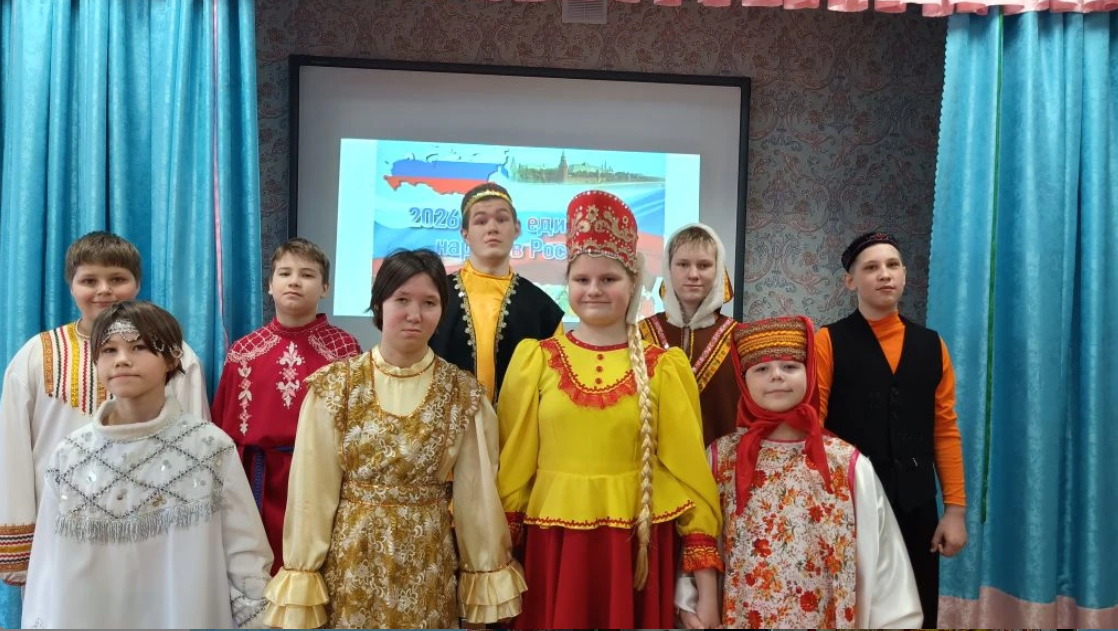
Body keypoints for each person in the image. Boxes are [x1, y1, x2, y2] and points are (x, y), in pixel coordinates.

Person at [263, 248, 525, 629]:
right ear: (379, 304)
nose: (414, 314)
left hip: (428, 569)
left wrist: (481, 576)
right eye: (402, 299)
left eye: (429, 303)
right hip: (351, 566)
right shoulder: (336, 387)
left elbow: (477, 499)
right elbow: (311, 494)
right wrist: (304, 573)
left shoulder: (462, 394)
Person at [498, 190, 723, 629]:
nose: (594, 290)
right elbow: (514, 468)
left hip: (637, 546)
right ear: (568, 284)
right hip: (552, 545)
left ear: (633, 283)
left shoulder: (664, 368)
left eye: (608, 279)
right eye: (582, 279)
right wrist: (502, 556)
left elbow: (689, 477)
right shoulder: (535, 360)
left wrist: (706, 591)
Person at [20, 300, 273, 628]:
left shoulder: (209, 448)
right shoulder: (70, 455)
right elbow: (46, 563)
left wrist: (256, 616)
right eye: (109, 350)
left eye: (138, 347)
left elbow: (245, 552)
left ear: (172, 357)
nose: (122, 360)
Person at [676, 315, 923, 629]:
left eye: (790, 366)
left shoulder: (845, 464)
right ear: (743, 379)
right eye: (761, 369)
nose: (776, 376)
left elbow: (885, 565)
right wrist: (690, 603)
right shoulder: (720, 459)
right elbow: (698, 540)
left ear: (809, 372)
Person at [0, 232, 210, 591]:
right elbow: (13, 450)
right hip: (61, 528)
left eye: (117, 279)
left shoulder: (173, 354)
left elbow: (193, 443)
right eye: (89, 281)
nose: (104, 290)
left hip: (152, 526)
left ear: (137, 284)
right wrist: (20, 545)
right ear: (71, 285)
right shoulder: (35, 355)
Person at [817, 231, 969, 628]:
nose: (884, 274)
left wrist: (955, 511)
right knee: (854, 608)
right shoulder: (827, 341)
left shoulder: (932, 345)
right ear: (850, 281)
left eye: (892, 265)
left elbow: (945, 431)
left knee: (915, 610)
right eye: (871, 267)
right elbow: (813, 429)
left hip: (916, 506)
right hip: (849, 505)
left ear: (904, 275)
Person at [211, 237, 360, 574]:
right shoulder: (244, 350)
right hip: (258, 484)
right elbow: (221, 429)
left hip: (322, 479)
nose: (294, 281)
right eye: (285, 273)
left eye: (307, 275)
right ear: (269, 285)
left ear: (325, 288)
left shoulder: (344, 350)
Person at [429, 182, 564, 402]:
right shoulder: (435, 297)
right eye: (481, 221)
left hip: (517, 425)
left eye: (501, 219)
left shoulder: (542, 310)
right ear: (465, 234)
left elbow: (553, 391)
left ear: (517, 229)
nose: (492, 228)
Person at [639, 223, 742, 446]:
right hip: (653, 461)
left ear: (718, 271)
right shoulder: (640, 335)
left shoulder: (739, 338)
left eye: (704, 265)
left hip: (718, 460)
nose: (693, 274)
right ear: (668, 269)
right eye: (683, 264)